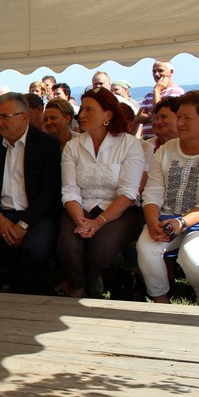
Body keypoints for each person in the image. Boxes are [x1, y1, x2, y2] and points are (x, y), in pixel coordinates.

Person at [137, 90, 199, 307]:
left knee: (192, 252)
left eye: (187, 118)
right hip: (167, 216)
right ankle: (161, 302)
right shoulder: (165, 150)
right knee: (146, 246)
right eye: (179, 116)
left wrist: (181, 223)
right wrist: (153, 222)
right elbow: (152, 191)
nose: (179, 122)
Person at [0, 92, 62, 294]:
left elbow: (49, 192)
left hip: (36, 214)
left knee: (36, 249)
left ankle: (17, 288)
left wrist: (24, 224)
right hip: (2, 212)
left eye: (5, 117)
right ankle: (23, 282)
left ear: (24, 117)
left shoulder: (47, 145)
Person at [56, 87, 145, 298]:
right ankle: (77, 287)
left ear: (108, 114)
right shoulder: (73, 146)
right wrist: (80, 221)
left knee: (99, 251)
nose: (81, 114)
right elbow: (70, 190)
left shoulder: (130, 145)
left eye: (89, 109)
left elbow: (128, 193)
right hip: (82, 207)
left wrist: (97, 223)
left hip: (120, 211)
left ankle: (93, 274)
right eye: (82, 109)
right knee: (68, 245)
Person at [136, 61, 185, 140]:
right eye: (154, 71)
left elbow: (159, 113)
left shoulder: (176, 91)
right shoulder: (149, 94)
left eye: (160, 70)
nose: (156, 74)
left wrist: (157, 91)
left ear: (171, 72)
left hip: (165, 140)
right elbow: (139, 117)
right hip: (148, 141)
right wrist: (153, 116)